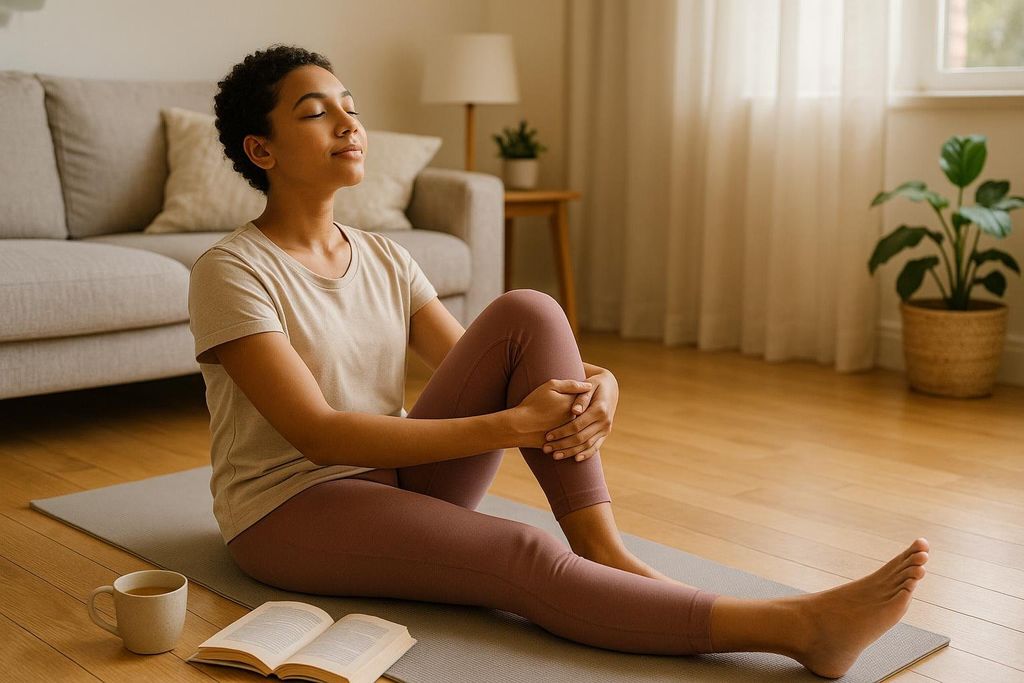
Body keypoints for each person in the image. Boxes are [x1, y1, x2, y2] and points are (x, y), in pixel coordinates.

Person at [186, 44, 929, 679]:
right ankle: (797, 626)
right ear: (263, 149)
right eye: (316, 112)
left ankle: (601, 547)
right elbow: (318, 435)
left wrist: (601, 382)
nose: (349, 122)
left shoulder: (384, 255)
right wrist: (513, 423)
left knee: (530, 309)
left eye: (350, 105)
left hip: (392, 481)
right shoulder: (232, 270)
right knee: (519, 550)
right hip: (291, 506)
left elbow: (491, 358)